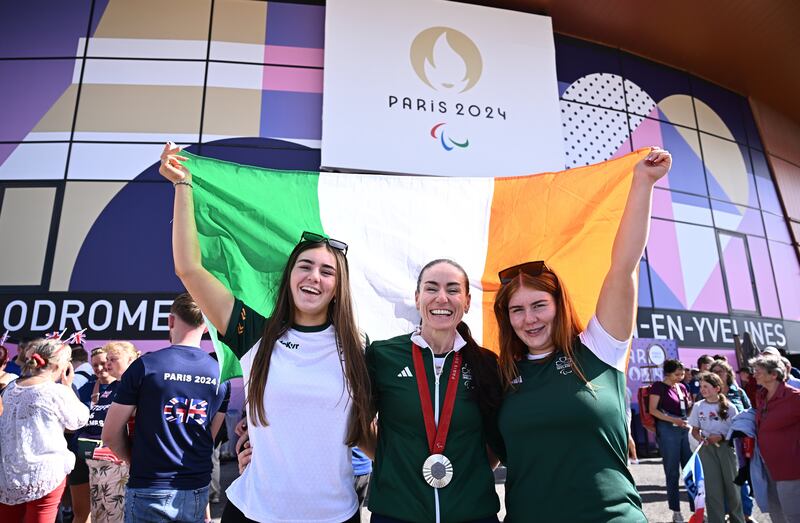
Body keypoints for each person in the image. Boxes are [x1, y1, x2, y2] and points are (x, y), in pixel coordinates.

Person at [159, 142, 372, 523]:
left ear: (338, 287)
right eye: (305, 266)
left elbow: (368, 437)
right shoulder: (253, 331)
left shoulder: (359, 348)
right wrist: (183, 185)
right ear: (289, 277)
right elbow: (189, 269)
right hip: (253, 512)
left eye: (327, 271)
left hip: (336, 515)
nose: (314, 277)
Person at [494, 147, 671, 523]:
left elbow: (622, 267)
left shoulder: (599, 347)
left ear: (559, 306)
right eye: (517, 310)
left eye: (539, 305)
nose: (529, 319)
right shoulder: (501, 374)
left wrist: (643, 183)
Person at [366, 259, 504, 523]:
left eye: (453, 290)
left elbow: (495, 439)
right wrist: (392, 461)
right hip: (397, 512)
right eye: (431, 288)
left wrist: (470, 470)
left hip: (473, 513)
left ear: (467, 302)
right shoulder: (383, 356)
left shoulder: (487, 364)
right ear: (417, 298)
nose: (442, 298)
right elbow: (361, 427)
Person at [102, 294, 230, 523]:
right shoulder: (221, 373)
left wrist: (133, 460)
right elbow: (209, 436)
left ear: (170, 321)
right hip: (195, 485)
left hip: (149, 483)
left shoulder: (145, 365)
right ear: (206, 326)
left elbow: (110, 434)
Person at [0, 338, 90, 521]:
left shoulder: (10, 388)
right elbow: (78, 420)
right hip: (45, 473)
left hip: (9, 472)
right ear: (58, 365)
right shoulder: (56, 391)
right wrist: (68, 387)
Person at [81, 343, 139, 523]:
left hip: (120, 466)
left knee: (117, 517)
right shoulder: (112, 386)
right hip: (97, 464)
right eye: (107, 359)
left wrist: (125, 458)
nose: (107, 364)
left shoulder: (138, 386)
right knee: (99, 517)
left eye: (113, 359)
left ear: (131, 359)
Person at [749, 354, 800, 522]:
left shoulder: (794, 397)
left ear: (773, 374)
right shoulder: (761, 395)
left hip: (790, 468)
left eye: (758, 371)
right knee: (776, 514)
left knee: (793, 515)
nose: (754, 374)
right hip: (765, 465)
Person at [688, 372, 743, 523]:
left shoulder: (729, 407)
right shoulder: (698, 406)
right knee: (712, 489)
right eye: (701, 387)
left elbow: (736, 431)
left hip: (726, 449)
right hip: (707, 450)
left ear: (717, 388)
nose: (702, 389)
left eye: (706, 386)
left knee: (732, 487)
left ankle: (737, 519)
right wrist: (700, 438)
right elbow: (694, 430)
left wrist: (721, 437)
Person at [710, 359, 756, 522]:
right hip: (716, 443)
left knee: (742, 478)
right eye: (714, 371)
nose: (717, 374)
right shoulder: (707, 394)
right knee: (722, 480)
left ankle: (746, 514)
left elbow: (750, 411)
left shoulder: (739, 392)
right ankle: (727, 512)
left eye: (720, 371)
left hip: (739, 442)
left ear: (728, 374)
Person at [649, 359, 694, 520]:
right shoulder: (658, 387)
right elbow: (653, 410)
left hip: (684, 428)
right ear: (667, 373)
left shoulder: (682, 387)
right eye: (677, 374)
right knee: (672, 471)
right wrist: (673, 420)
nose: (680, 377)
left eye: (682, 374)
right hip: (667, 430)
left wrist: (689, 416)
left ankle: (697, 510)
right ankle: (676, 511)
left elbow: (688, 408)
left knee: (690, 471)